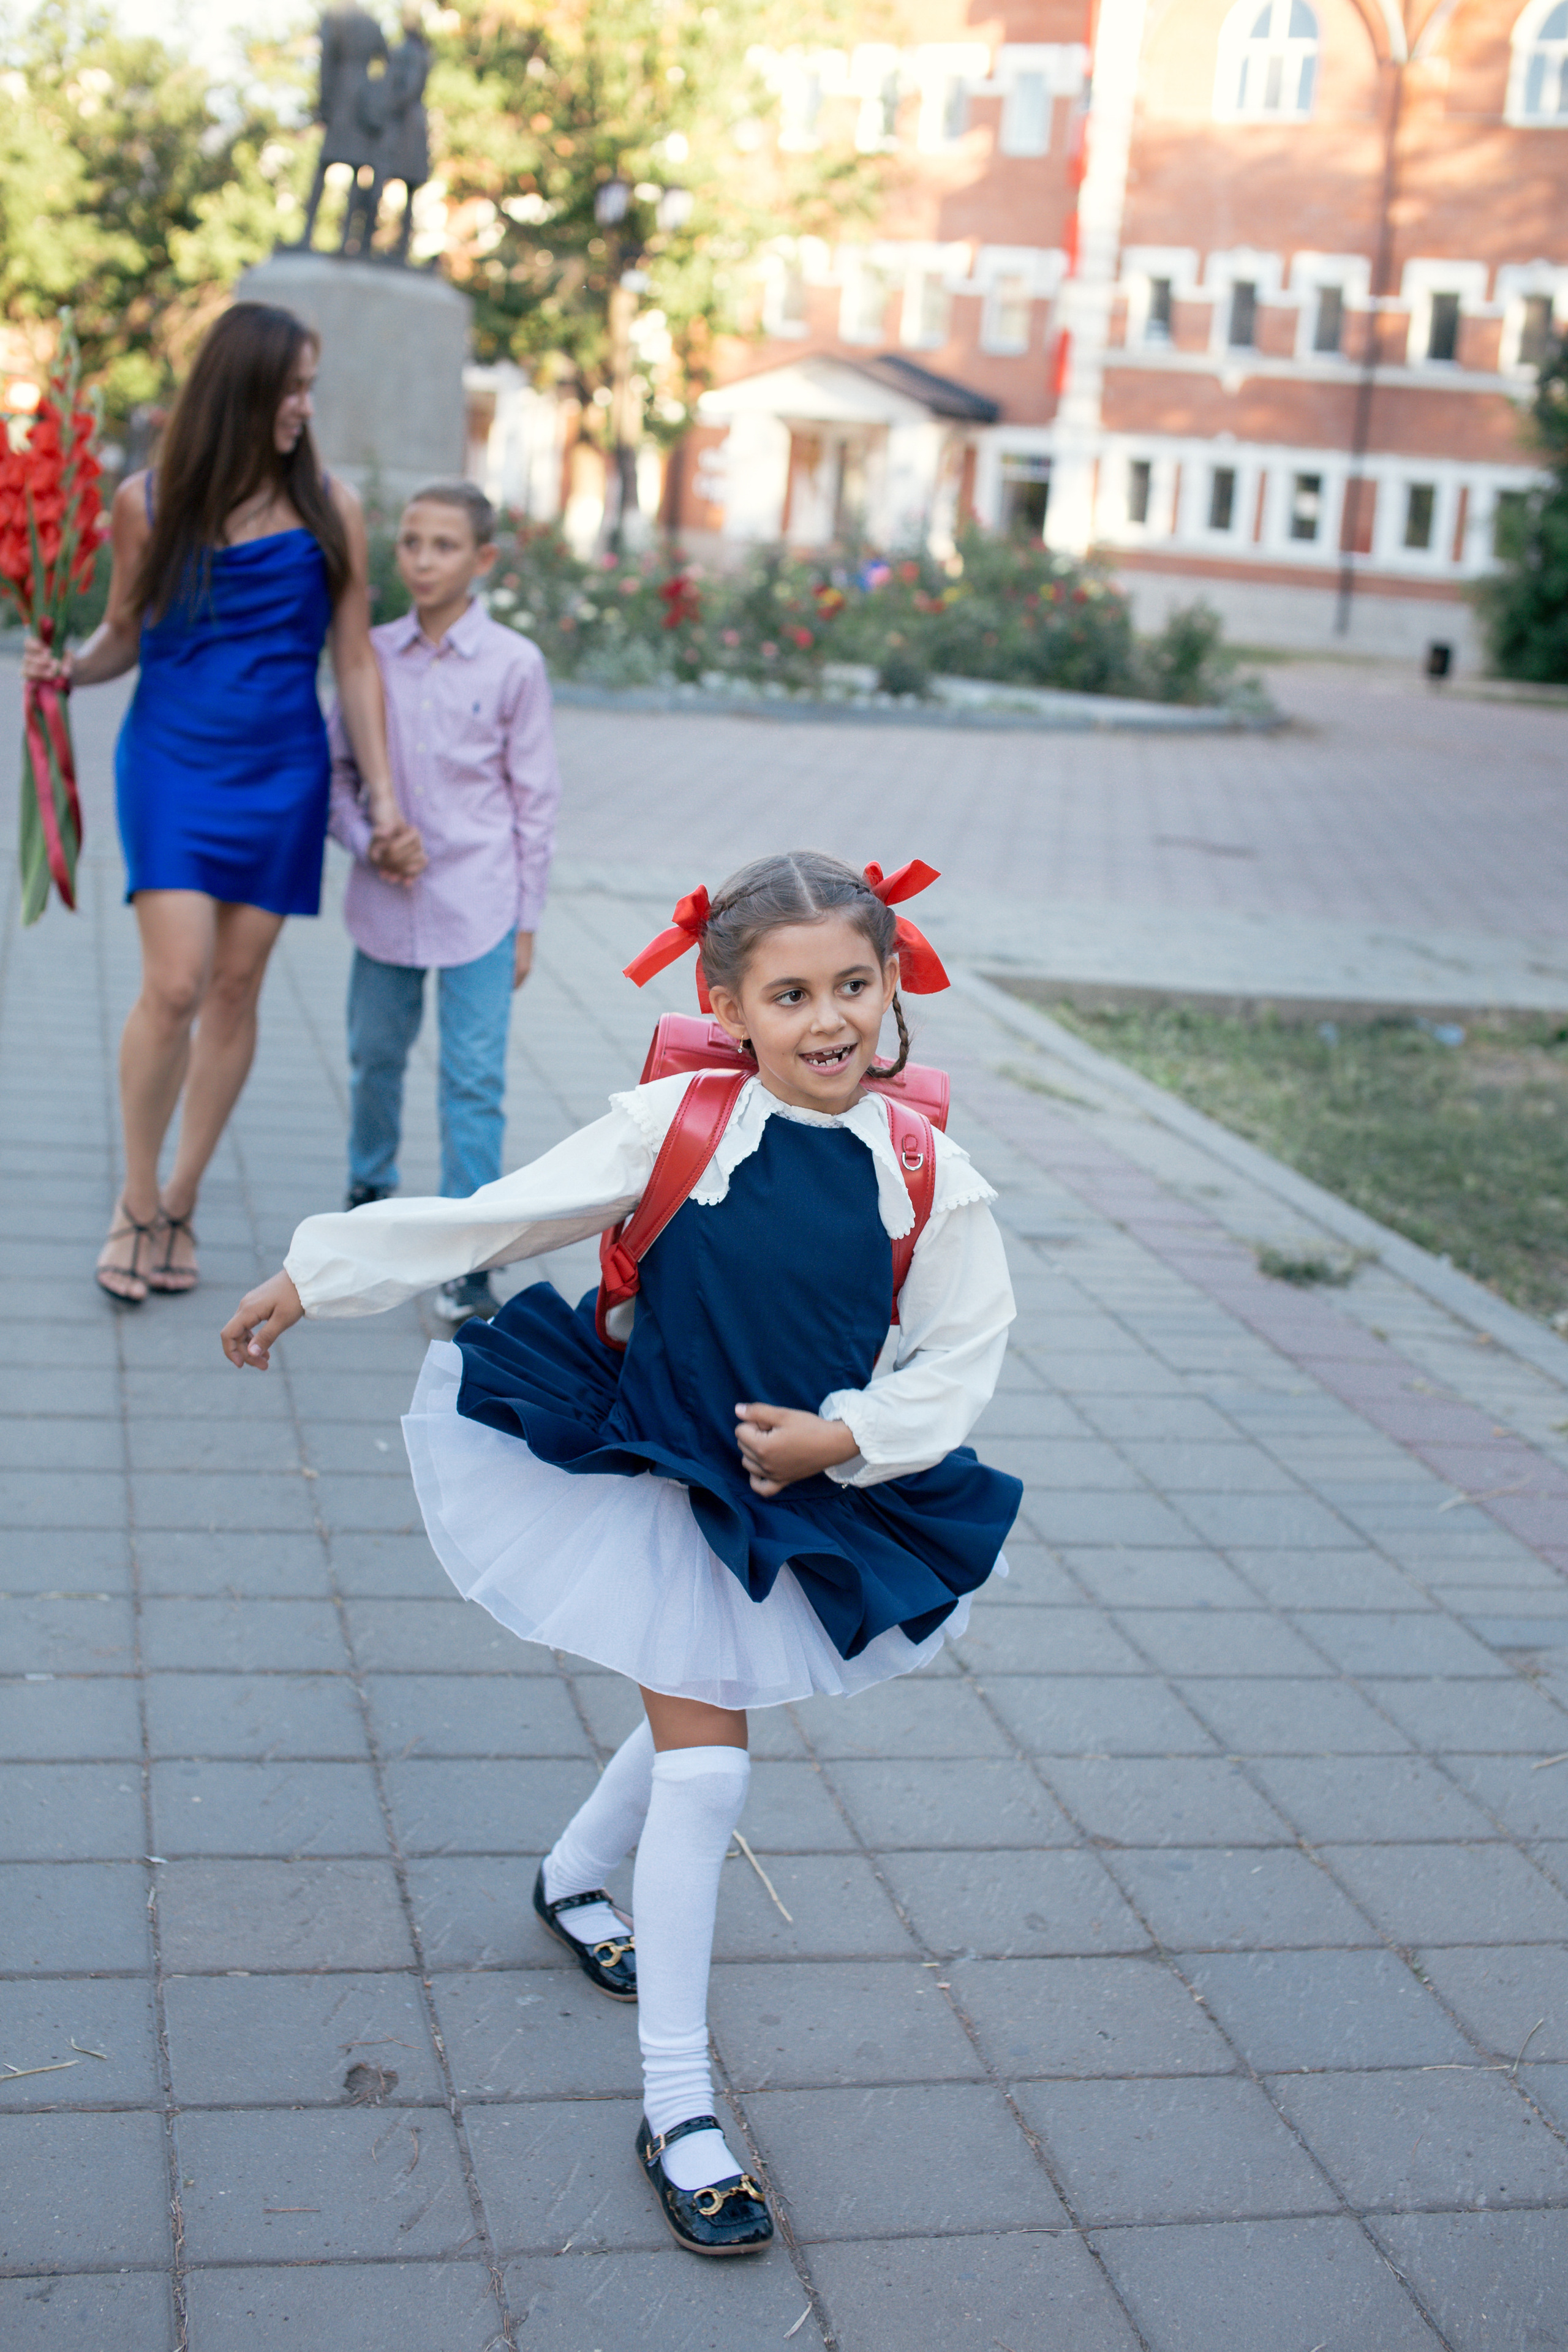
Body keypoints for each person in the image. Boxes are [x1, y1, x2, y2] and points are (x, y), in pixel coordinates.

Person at [220, 851, 1022, 2257]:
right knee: (710, 1765)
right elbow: (498, 1217)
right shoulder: (676, 1121)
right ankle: (675, 2105)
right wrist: (317, 1273)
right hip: (653, 1459)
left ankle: (569, 1879)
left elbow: (964, 1352)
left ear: (892, 983)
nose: (828, 1018)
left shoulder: (924, 1168)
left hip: (797, 1479)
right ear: (727, 1001)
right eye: (790, 994)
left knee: (702, 1683)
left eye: (853, 984)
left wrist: (843, 1441)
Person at [23, 302, 415, 1303]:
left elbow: (357, 662)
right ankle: (134, 1195)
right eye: (291, 388)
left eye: (310, 388)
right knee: (175, 984)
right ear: (242, 390)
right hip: (171, 763)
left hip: (282, 772)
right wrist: (66, 669)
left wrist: (379, 798)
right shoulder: (146, 503)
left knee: (237, 990)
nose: (304, 406)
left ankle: (183, 1200)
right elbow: (122, 633)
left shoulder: (332, 508)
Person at [328, 478, 560, 1324]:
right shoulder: (368, 655)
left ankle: (468, 1248)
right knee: (374, 1056)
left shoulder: (513, 666)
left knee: (474, 1078)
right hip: (384, 905)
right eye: (411, 543)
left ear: (483, 559)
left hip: (481, 905)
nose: (423, 561)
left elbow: (535, 802)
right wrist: (367, 840)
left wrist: (527, 921)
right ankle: (367, 1193)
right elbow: (340, 779)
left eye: (445, 546)